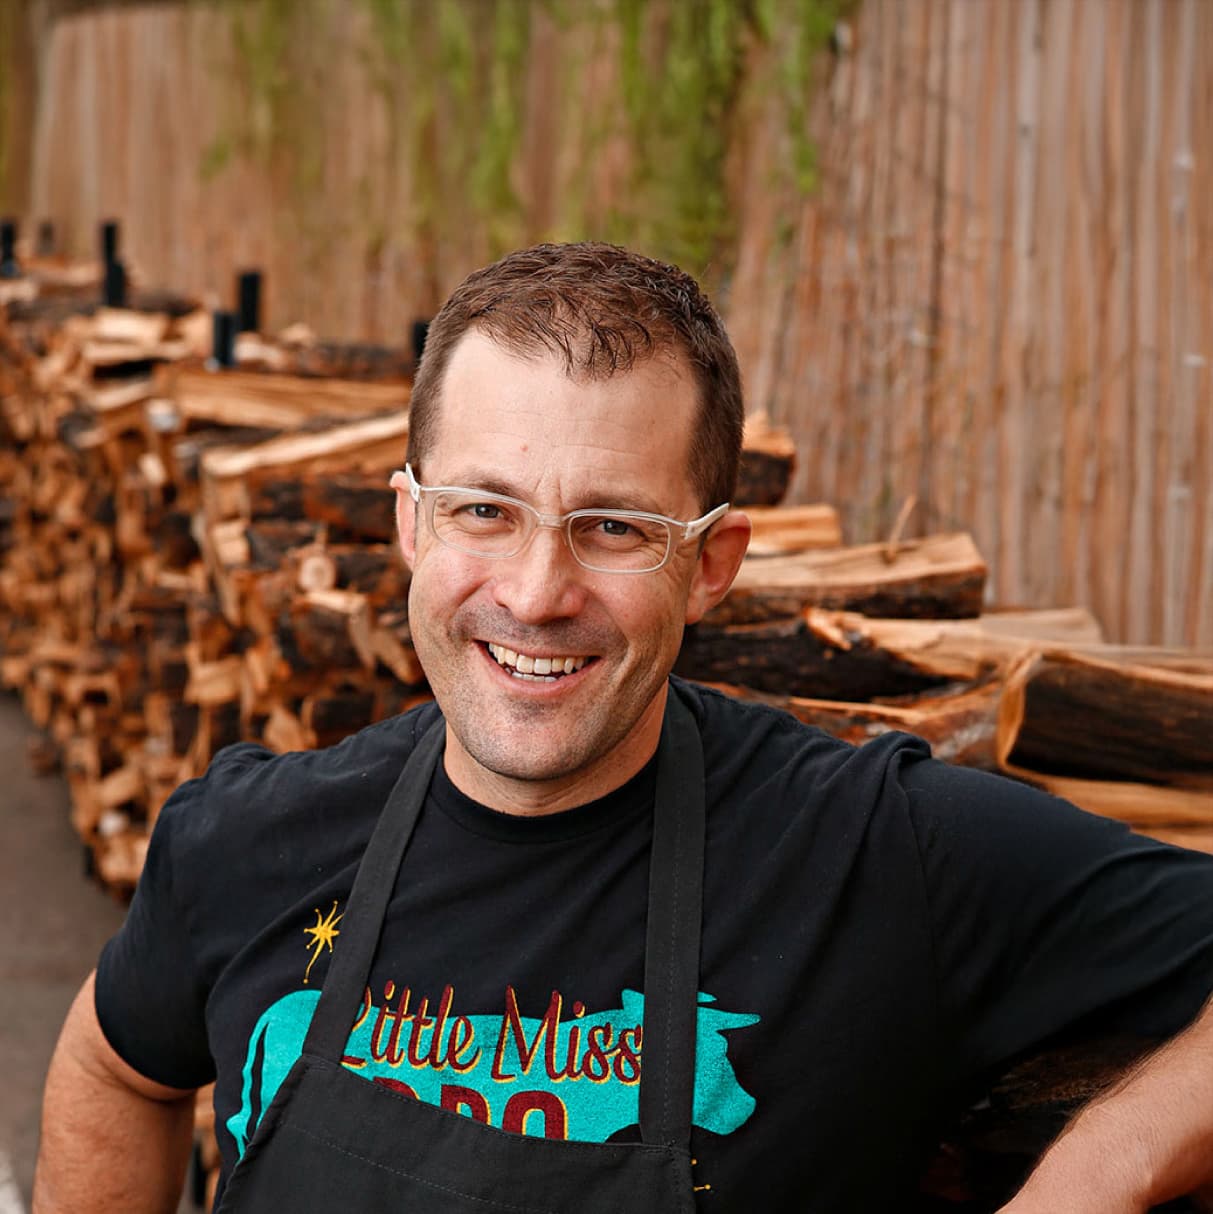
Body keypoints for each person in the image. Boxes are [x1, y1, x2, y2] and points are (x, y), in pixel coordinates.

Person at [34, 242, 1213, 1213]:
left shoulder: (876, 851)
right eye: (483, 509)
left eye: (610, 528)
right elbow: (110, 1060)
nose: (536, 590)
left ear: (710, 563)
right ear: (408, 523)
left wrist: (1095, 1177)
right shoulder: (251, 837)